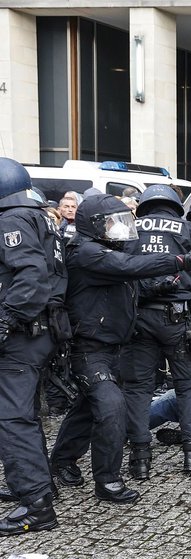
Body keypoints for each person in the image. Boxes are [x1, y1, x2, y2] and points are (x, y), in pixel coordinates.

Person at [49, 194, 191, 504]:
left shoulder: (104, 250)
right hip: (89, 348)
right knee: (111, 407)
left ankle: (62, 460)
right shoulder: (87, 252)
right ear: (94, 225)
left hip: (112, 346)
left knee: (85, 408)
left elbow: (130, 280)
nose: (118, 229)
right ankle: (107, 480)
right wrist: (179, 260)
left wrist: (159, 285)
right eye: (111, 223)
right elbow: (129, 266)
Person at [121, 184, 191, 481]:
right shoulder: (189, 230)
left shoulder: (129, 228)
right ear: (175, 206)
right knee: (189, 384)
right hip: (179, 320)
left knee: (138, 388)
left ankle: (139, 458)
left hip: (138, 319)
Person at [0, 158, 68, 535]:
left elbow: (30, 278)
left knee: (12, 419)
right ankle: (39, 486)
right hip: (40, 331)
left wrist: (5, 320)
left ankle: (36, 506)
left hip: (23, 334)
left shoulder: (12, 220)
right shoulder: (40, 217)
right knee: (23, 413)